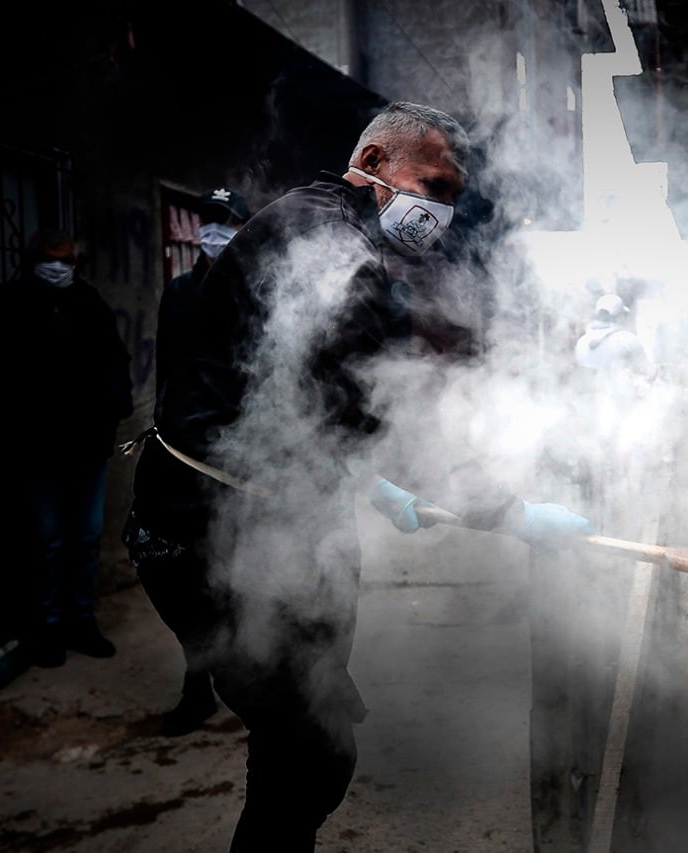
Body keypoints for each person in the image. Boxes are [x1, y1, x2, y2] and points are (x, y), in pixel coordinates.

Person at [122, 101, 594, 851]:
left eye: (450, 197)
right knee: (313, 750)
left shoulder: (328, 225)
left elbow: (299, 400)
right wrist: (504, 510)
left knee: (306, 742)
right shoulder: (329, 250)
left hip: (286, 519)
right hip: (206, 536)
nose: (439, 210)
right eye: (431, 186)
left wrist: (375, 488)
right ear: (374, 164)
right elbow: (403, 416)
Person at [0, 228, 133, 674]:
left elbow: (116, 364)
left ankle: (81, 622)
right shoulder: (5, 306)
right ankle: (48, 627)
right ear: (32, 260)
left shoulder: (89, 304)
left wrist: (113, 407)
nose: (58, 268)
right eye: (50, 259)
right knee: (46, 541)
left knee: (85, 539)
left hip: (88, 450)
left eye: (66, 260)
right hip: (36, 454)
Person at [151, 185, 251, 736]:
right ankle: (198, 687)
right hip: (185, 458)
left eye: (227, 223)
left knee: (235, 574)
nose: (216, 233)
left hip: (238, 461)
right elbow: (168, 369)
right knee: (190, 574)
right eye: (210, 224)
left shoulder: (254, 290)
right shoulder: (180, 292)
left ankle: (246, 680)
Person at [574, 292, 652, 375]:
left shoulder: (581, 343)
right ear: (620, 315)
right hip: (621, 387)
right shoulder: (628, 340)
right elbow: (647, 371)